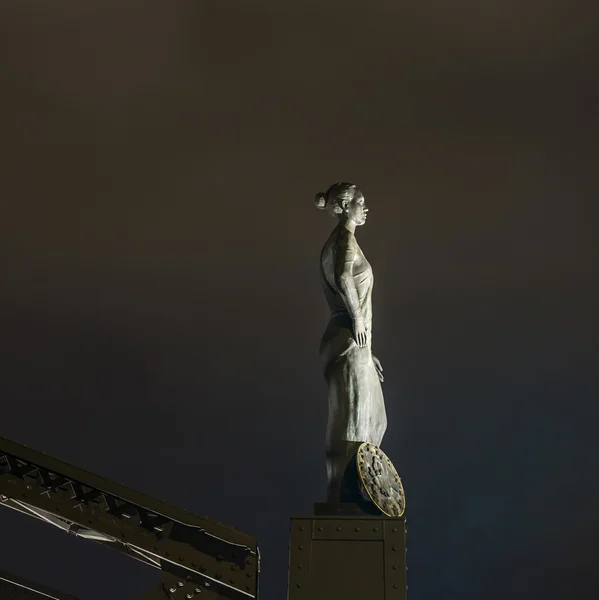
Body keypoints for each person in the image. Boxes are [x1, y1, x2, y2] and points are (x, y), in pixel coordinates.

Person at [315, 182, 387, 503]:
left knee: (376, 420)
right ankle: (344, 494)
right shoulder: (343, 240)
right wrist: (358, 320)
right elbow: (344, 277)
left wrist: (369, 354)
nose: (365, 206)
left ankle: (357, 487)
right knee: (353, 418)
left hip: (357, 343)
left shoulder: (348, 241)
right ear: (346, 206)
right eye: (360, 201)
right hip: (348, 335)